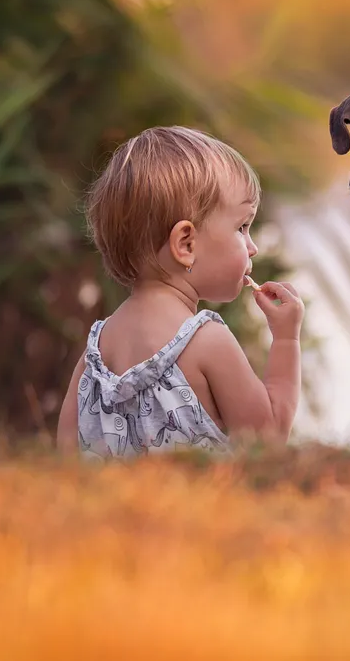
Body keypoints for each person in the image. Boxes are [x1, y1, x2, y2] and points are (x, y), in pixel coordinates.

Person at [55, 126, 304, 458]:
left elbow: (65, 460)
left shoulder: (94, 355)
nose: (253, 247)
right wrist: (286, 339)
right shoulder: (207, 341)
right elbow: (267, 444)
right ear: (186, 244)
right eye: (242, 227)